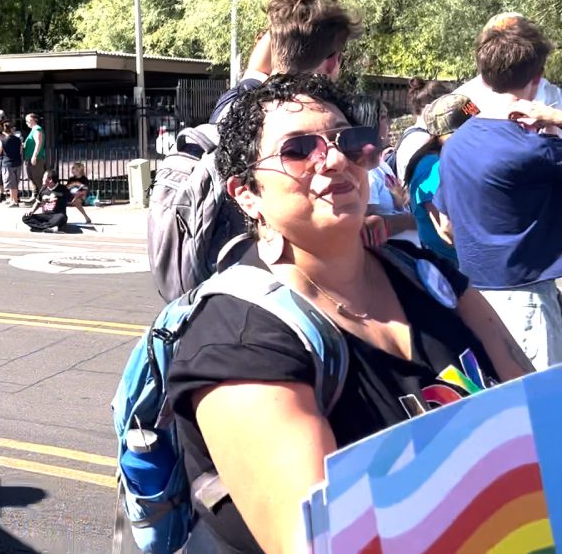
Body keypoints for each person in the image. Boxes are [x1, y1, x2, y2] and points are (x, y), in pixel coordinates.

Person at [167, 73, 532, 553]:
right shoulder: (239, 341)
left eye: (348, 140)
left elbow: (533, 417)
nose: (336, 158)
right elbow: (322, 543)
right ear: (246, 193)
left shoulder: (431, 278)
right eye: (299, 148)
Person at [437, 13, 562, 370]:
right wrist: (554, 119)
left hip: (472, 298)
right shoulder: (536, 149)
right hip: (526, 303)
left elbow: (446, 225)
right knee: (544, 416)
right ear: (537, 79)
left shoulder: (455, 144)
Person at [210, 0, 360, 123]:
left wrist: (284, 22)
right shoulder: (335, 124)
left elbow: (255, 70)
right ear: (332, 63)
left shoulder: (234, 108)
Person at [402, 93, 476, 263]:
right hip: (455, 269)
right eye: (474, 129)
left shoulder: (443, 160)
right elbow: (447, 231)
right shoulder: (433, 167)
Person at [354, 96, 418, 245]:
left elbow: (395, 204)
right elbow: (368, 221)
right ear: (369, 123)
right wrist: (415, 221)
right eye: (383, 117)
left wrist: (400, 200)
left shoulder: (380, 164)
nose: (388, 123)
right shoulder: (365, 170)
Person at [0, 122, 23, 207]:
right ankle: (12, 199)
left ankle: (14, 202)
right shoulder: (18, 139)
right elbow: (20, 150)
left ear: (3, 131)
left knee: (11, 184)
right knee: (15, 182)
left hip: (8, 163)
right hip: (17, 162)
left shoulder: (2, 140)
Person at [23, 113, 46, 199]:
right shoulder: (33, 130)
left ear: (33, 120)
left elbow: (38, 143)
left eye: (27, 120)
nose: (26, 122)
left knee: (37, 178)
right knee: (32, 177)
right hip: (29, 157)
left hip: (36, 158)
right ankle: (35, 195)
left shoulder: (37, 129)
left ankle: (42, 197)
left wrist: (34, 156)